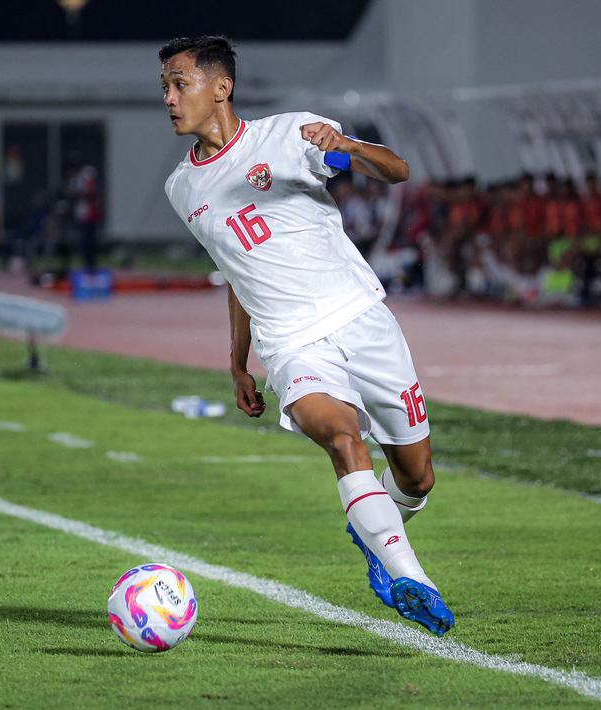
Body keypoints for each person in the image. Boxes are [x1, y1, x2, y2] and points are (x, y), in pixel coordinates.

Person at [159, 35, 454, 636]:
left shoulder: (292, 134)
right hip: (291, 343)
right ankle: (410, 577)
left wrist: (344, 145)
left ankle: (378, 525)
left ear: (222, 87)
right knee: (344, 441)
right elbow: (238, 274)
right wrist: (238, 362)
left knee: (416, 477)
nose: (168, 98)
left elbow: (397, 172)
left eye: (179, 83)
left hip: (363, 322)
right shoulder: (182, 189)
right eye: (164, 87)